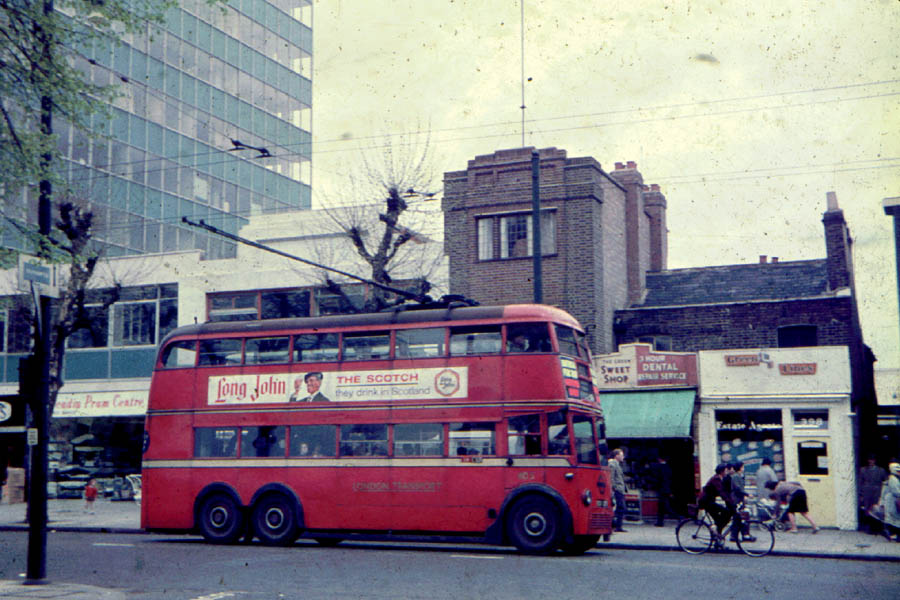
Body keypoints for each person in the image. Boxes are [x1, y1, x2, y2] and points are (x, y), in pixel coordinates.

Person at [698, 463, 733, 539]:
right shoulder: (716, 479)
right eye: (726, 470)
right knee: (725, 512)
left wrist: (731, 500)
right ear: (721, 471)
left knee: (720, 519)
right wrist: (729, 502)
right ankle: (715, 530)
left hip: (709, 501)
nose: (727, 472)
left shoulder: (719, 478)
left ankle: (717, 537)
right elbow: (721, 492)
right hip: (706, 502)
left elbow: (725, 492)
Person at [648, 455, 674, 527]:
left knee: (662, 506)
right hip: (667, 489)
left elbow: (658, 479)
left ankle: (660, 522)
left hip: (662, 489)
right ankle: (675, 516)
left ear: (660, 459)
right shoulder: (668, 467)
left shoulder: (659, 468)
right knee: (665, 505)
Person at [877, 462, 900, 542]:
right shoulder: (893, 479)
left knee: (893, 518)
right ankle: (892, 534)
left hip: (893, 501)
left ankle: (892, 534)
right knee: (893, 518)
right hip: (892, 501)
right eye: (898, 471)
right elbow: (896, 491)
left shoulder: (894, 478)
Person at [609, 448, 627, 532]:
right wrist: (614, 488)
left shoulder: (617, 464)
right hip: (617, 490)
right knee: (620, 507)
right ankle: (616, 526)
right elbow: (611, 477)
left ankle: (617, 526)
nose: (623, 456)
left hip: (620, 489)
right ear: (616, 456)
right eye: (621, 455)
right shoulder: (612, 464)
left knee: (620, 508)